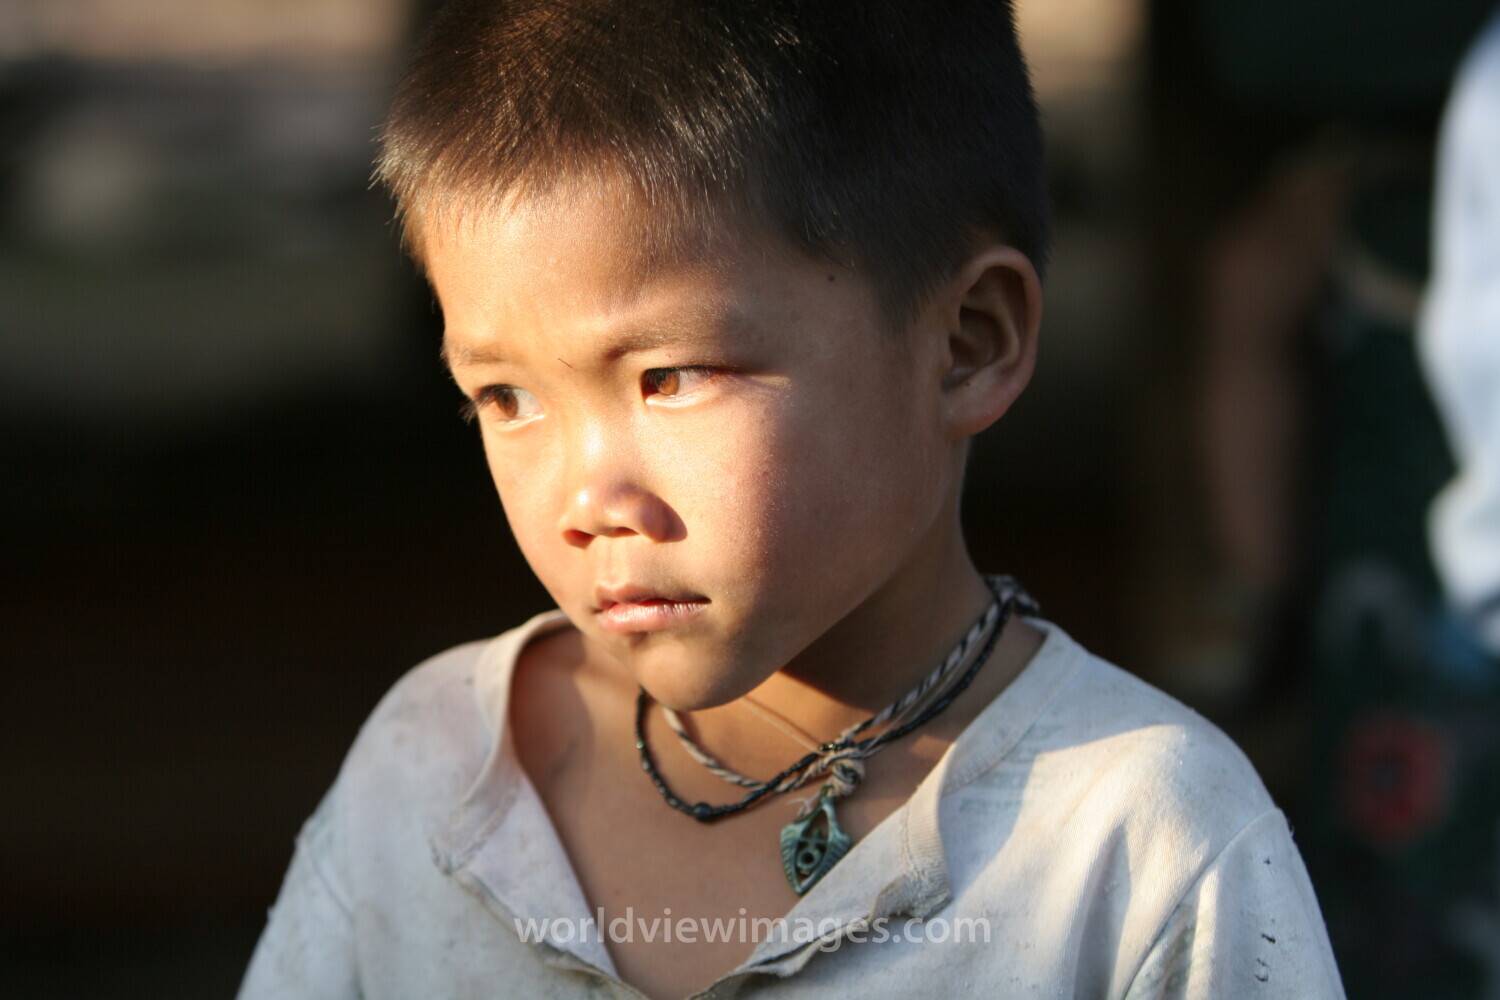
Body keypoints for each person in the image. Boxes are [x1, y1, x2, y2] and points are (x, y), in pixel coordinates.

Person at [237, 2, 1346, 997]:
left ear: (969, 344)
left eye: (667, 377)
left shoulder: (1137, 839)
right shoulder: (436, 772)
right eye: (505, 395)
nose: (585, 497)